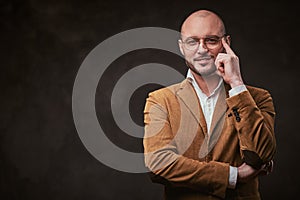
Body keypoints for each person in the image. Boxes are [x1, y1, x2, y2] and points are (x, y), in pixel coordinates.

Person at [143, 9, 276, 200]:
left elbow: (261, 155)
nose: (202, 49)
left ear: (226, 43)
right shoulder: (160, 100)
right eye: (192, 41)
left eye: (211, 40)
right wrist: (234, 176)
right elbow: (159, 164)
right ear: (181, 47)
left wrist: (237, 84)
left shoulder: (258, 98)